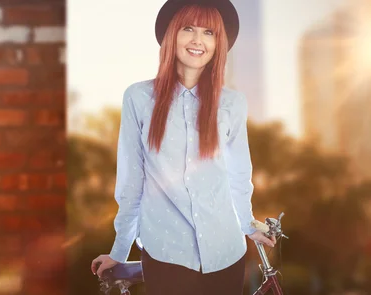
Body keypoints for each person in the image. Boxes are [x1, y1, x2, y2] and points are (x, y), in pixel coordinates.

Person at [90, 0, 277, 294]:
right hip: (166, 253)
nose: (197, 40)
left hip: (226, 253)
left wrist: (248, 224)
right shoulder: (138, 98)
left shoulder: (232, 103)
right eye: (188, 28)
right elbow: (131, 183)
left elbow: (239, 175)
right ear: (171, 35)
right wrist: (119, 250)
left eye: (209, 32)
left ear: (218, 43)